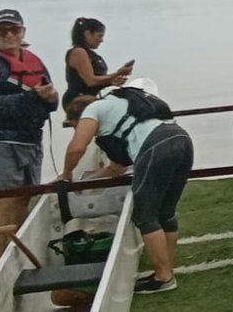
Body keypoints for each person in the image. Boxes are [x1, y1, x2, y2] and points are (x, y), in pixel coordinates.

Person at [61, 88, 193, 294]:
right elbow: (116, 168)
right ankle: (166, 269)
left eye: (74, 125)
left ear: (77, 117)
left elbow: (77, 148)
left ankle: (163, 277)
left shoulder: (92, 109)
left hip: (155, 146)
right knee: (165, 212)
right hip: (180, 138)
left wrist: (66, 175)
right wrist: (86, 182)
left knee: (144, 215)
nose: (76, 129)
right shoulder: (119, 110)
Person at [0, 8, 58, 260]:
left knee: (25, 198)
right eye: (2, 30)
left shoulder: (34, 61)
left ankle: (19, 255)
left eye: (14, 29)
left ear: (22, 32)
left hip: (30, 140)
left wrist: (51, 98)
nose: (8, 35)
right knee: (4, 200)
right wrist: (31, 97)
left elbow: (49, 99)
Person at [62, 16, 133, 108]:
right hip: (79, 101)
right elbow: (90, 81)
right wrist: (117, 74)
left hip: (93, 97)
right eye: (99, 36)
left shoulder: (91, 54)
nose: (102, 40)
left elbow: (97, 80)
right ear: (87, 34)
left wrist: (112, 81)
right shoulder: (78, 52)